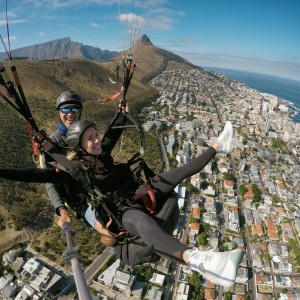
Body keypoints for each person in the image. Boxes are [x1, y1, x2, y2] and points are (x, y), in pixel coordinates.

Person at [0, 119, 244, 287]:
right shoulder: (74, 172)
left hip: (133, 194)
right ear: (80, 147)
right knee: (141, 221)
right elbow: (32, 175)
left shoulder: (101, 156)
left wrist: (121, 110)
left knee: (174, 175)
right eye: (90, 139)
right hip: (119, 213)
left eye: (96, 135)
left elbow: (113, 133)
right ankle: (201, 261)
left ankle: (218, 146)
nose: (96, 141)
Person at [45, 90, 83, 227]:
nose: (70, 113)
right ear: (59, 112)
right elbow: (50, 181)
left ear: (80, 112)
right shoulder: (52, 143)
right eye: (65, 109)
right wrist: (61, 209)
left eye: (75, 109)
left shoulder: (84, 133)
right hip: (79, 200)